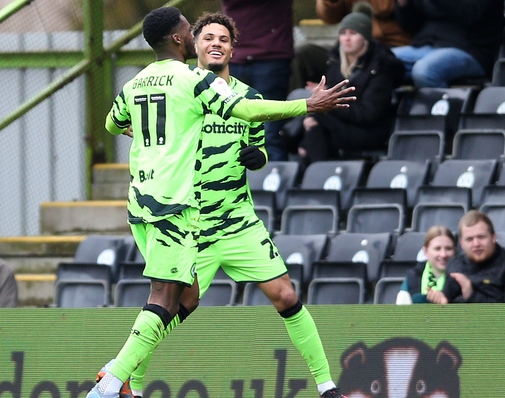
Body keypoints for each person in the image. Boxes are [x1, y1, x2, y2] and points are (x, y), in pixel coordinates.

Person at [91, 7, 355, 398]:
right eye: (208, 37)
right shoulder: (191, 85)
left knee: (284, 294)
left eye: (224, 39)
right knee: (178, 302)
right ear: (190, 43)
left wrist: (258, 157)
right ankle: (126, 380)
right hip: (191, 217)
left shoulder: (247, 95)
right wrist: (306, 105)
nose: (216, 43)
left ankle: (327, 386)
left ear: (233, 50)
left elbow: (258, 145)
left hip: (235, 218)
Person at [296, 3, 404, 169]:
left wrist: (330, 101)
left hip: (371, 131)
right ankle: (314, 179)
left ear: (365, 38)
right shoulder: (335, 62)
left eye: (353, 33)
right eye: (343, 33)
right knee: (309, 126)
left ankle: (314, 180)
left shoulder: (380, 67)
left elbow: (369, 115)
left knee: (314, 125)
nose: (346, 38)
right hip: (343, 126)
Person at [221, 0, 294, 162]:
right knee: (231, 134)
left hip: (270, 59)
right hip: (236, 59)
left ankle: (274, 182)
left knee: (270, 135)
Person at [291, 0, 411, 90]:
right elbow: (328, 17)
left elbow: (384, 7)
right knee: (302, 53)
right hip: (349, 45)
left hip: (392, 45)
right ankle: (297, 113)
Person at [427, 210, 505, 304]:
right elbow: (448, 301)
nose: (476, 244)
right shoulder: (456, 264)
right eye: (469, 239)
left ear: (493, 237)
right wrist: (441, 301)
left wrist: (471, 295)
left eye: (481, 237)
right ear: (461, 243)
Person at [392, 0, 504, 88]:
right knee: (381, 61)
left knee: (424, 71)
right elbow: (410, 25)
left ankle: (436, 114)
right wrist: (404, 4)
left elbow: (469, 14)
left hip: (469, 50)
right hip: (425, 46)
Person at [396, 226, 455, 304]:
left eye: (448, 248)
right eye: (437, 248)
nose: (443, 254)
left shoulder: (463, 276)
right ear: (425, 251)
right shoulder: (412, 276)